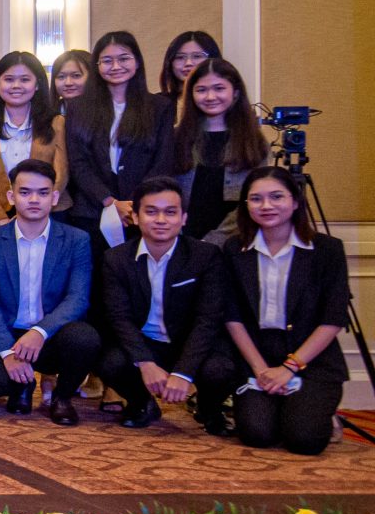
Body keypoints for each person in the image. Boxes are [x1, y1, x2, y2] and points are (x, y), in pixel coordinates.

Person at [221, 166, 351, 456]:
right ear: (246, 205)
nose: (266, 206)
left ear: (295, 201)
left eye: (276, 197)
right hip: (257, 356)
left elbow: (333, 318)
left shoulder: (327, 250)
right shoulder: (234, 250)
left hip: (310, 358)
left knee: (305, 440)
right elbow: (232, 316)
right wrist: (261, 370)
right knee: (257, 434)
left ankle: (316, 411)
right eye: (256, 199)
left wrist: (289, 368)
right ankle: (282, 407)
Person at [97, 176, 238, 432]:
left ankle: (208, 409)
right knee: (110, 362)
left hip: (188, 341)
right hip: (146, 341)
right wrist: (145, 362)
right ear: (136, 216)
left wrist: (183, 372)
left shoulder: (205, 256)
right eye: (151, 212)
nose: (161, 220)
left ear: (183, 218)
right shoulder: (116, 259)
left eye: (170, 212)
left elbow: (208, 319)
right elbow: (119, 318)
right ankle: (142, 404)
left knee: (222, 369)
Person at [0, 160, 98, 422]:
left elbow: (78, 298)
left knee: (85, 338)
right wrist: (7, 351)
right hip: (9, 333)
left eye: (43, 192)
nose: (34, 200)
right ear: (11, 197)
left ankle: (62, 397)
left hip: (51, 335)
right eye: (25, 192)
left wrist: (40, 331)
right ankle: (21, 385)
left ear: (55, 197)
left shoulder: (77, 240)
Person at [66, 31, 176, 247]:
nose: (116, 66)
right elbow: (78, 162)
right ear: (97, 66)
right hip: (92, 210)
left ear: (137, 62)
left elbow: (162, 161)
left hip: (141, 211)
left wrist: (134, 202)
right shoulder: (78, 108)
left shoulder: (159, 107)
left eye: (124, 58)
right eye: (107, 61)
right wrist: (110, 201)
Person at [0, 51, 70, 226]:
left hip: (50, 213)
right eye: (9, 79)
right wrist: (0, 220)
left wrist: (38, 208)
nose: (16, 85)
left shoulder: (57, 123)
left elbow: (61, 171)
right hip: (0, 215)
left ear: (37, 84)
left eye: (25, 80)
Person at [169, 56, 267, 242]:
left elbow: (255, 200)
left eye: (219, 88)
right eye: (201, 90)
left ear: (235, 92)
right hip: (181, 240)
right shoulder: (175, 138)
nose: (210, 97)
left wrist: (213, 241)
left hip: (235, 241)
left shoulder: (254, 141)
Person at [159, 30, 221, 100]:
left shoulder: (220, 101)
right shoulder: (158, 103)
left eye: (197, 56)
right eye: (180, 57)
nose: (188, 63)